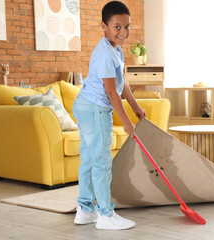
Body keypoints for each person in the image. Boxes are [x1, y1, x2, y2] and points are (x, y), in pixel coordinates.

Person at [72, 1, 146, 230]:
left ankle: (85, 210)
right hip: (94, 108)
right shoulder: (105, 53)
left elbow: (122, 84)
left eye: (127, 26)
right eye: (117, 27)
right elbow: (111, 92)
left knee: (89, 160)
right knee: (102, 162)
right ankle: (105, 214)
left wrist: (135, 107)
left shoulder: (115, 47)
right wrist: (126, 123)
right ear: (104, 26)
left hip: (85, 105)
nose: (123, 32)